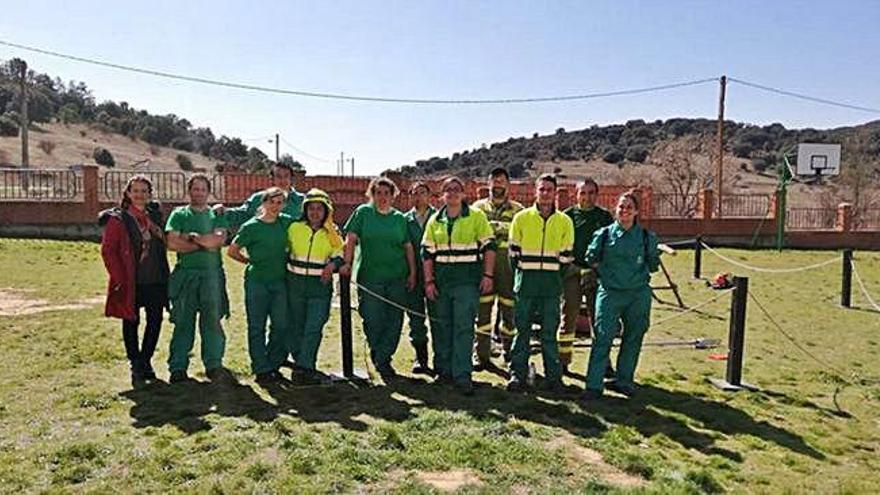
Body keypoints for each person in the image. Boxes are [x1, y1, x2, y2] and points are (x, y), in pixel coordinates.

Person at [583, 189, 660, 400]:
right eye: (621, 207)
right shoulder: (604, 234)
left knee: (634, 337)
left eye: (629, 207)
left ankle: (624, 380)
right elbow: (592, 258)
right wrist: (609, 275)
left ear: (636, 212)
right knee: (602, 337)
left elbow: (653, 264)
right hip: (610, 293)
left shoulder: (646, 237)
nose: (624, 211)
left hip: (638, 294)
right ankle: (594, 385)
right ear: (615, 210)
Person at [422, 177, 496, 395]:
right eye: (448, 190)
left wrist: (488, 275)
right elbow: (427, 253)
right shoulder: (435, 220)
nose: (452, 193)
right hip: (441, 284)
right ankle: (443, 372)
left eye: (457, 190)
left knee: (463, 328)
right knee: (441, 327)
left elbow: (489, 247)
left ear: (464, 194)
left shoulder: (476, 216)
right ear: (442, 195)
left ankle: (462, 375)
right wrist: (429, 281)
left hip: (466, 282)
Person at [340, 177, 417, 382]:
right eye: (378, 193)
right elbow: (351, 238)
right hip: (370, 278)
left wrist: (412, 273)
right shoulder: (363, 213)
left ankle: (383, 360)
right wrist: (346, 263)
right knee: (372, 319)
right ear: (372, 195)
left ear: (393, 196)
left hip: (397, 277)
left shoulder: (400, 219)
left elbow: (407, 246)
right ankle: (378, 353)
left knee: (394, 320)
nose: (382, 197)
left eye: (386, 193)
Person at [507, 174, 574, 392]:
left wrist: (552, 275)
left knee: (549, 332)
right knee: (522, 330)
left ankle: (554, 377)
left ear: (555, 193)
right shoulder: (521, 218)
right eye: (541, 189)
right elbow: (513, 255)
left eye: (549, 189)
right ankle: (517, 373)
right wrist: (525, 272)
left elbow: (566, 259)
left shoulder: (565, 221)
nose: (545, 193)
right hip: (526, 283)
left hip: (551, 285)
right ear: (536, 191)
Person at [99, 175, 169, 383]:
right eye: (136, 190)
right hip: (131, 280)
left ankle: (146, 360)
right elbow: (108, 251)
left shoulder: (155, 216)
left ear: (149, 194)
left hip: (155, 278)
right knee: (131, 321)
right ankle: (135, 362)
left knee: (155, 321)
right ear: (128, 193)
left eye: (144, 191)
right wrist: (120, 278)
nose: (140, 194)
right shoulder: (118, 219)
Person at [164, 174, 230, 383]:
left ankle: (213, 364)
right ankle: (178, 367)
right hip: (186, 276)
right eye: (195, 189)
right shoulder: (179, 214)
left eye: (203, 189)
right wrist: (203, 243)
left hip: (212, 276)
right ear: (189, 191)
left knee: (212, 321)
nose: (199, 193)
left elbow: (217, 241)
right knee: (184, 321)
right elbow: (173, 243)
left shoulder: (217, 214)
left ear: (208, 192)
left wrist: (191, 238)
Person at [226, 187, 291, 384]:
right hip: (257, 283)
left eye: (280, 202)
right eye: (272, 201)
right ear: (263, 203)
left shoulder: (286, 222)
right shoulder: (251, 226)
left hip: (280, 282)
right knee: (257, 326)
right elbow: (232, 251)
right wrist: (248, 261)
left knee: (280, 325)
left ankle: (274, 363)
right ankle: (261, 368)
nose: (275, 206)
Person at [286, 189, 344, 383]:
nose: (315, 212)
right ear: (305, 209)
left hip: (319, 287)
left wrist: (333, 265)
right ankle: (300, 363)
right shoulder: (294, 228)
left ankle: (305, 367)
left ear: (326, 210)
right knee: (295, 327)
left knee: (314, 326)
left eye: (320, 208)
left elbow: (340, 252)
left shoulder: (332, 232)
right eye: (311, 208)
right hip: (295, 285)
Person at [471, 167, 524, 370]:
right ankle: (481, 355)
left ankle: (509, 352)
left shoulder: (518, 210)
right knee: (482, 313)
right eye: (495, 180)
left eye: (502, 180)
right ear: (488, 183)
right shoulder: (477, 209)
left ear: (508, 184)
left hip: (508, 268)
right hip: (484, 265)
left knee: (509, 312)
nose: (498, 184)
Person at [559, 179, 614, 371]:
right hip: (572, 273)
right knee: (568, 317)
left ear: (597, 195)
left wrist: (596, 270)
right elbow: (560, 246)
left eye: (591, 193)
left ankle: (603, 364)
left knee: (599, 319)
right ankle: (563, 362)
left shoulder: (605, 217)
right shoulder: (566, 216)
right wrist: (573, 268)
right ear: (576, 195)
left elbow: (610, 247)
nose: (587, 197)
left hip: (596, 275)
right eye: (583, 193)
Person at [403, 182, 436, 375]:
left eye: (422, 193)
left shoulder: (439, 217)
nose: (418, 197)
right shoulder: (404, 220)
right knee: (415, 317)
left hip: (435, 275)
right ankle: (421, 358)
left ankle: (441, 358)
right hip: (413, 275)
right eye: (414, 193)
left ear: (429, 195)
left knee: (438, 317)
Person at [215, 162, 305, 229]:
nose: (283, 180)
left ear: (291, 179)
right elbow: (242, 214)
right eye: (278, 176)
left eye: (286, 176)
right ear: (272, 179)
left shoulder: (302, 201)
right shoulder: (259, 198)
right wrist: (224, 211)